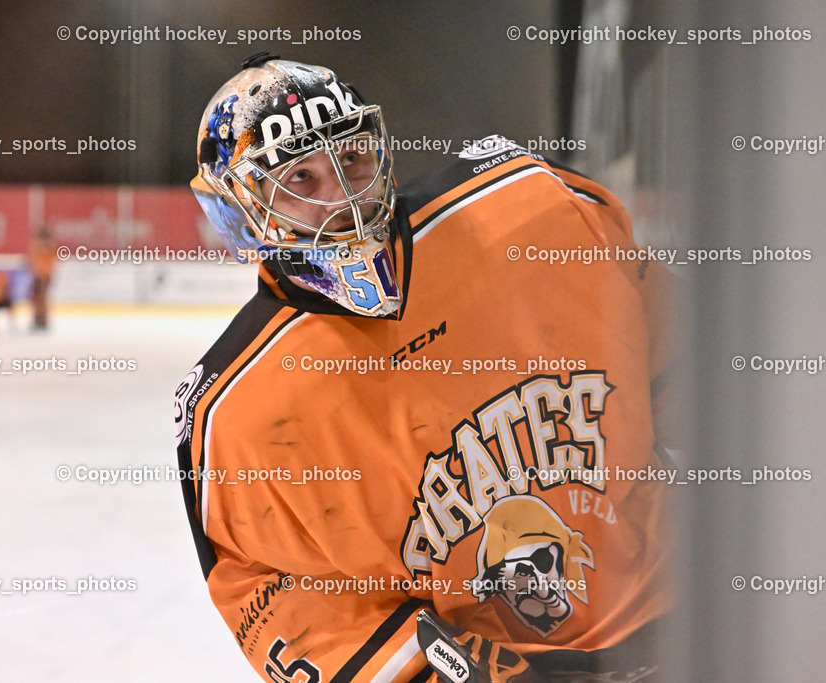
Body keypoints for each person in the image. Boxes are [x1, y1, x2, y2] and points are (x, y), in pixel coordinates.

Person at [176, 53, 677, 682]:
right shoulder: (235, 412)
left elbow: (689, 367)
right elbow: (282, 598)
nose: (344, 201)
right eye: (299, 181)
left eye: (350, 161)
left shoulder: (529, 206)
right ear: (238, 209)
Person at [27, 226, 56, 330]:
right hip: (37, 276)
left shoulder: (48, 250)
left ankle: (42, 321)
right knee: (36, 299)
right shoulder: (37, 249)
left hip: (44, 276)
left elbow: (49, 264)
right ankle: (37, 319)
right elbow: (32, 261)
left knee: (42, 299)